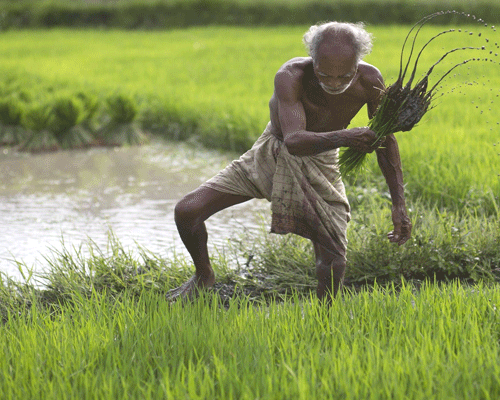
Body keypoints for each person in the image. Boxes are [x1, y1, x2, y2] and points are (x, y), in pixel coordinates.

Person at [167, 21, 412, 302]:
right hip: (272, 152)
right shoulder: (291, 75)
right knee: (188, 211)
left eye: (343, 77)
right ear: (312, 59)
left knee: (333, 257)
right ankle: (203, 275)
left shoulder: (370, 81)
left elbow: (386, 140)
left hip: (321, 163)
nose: (333, 84)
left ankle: (326, 316)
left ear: (358, 63)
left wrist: (399, 204)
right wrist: (346, 136)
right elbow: (294, 141)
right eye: (324, 74)